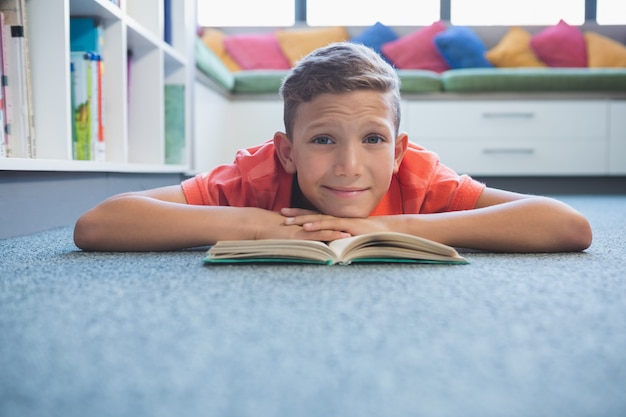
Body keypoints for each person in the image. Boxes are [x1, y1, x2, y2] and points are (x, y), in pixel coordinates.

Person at [74, 42, 592, 253]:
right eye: (323, 140)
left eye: (373, 140)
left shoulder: (415, 175)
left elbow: (567, 225)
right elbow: (98, 224)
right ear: (287, 152)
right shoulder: (256, 178)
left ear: (397, 149)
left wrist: (397, 225)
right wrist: (254, 223)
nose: (350, 166)